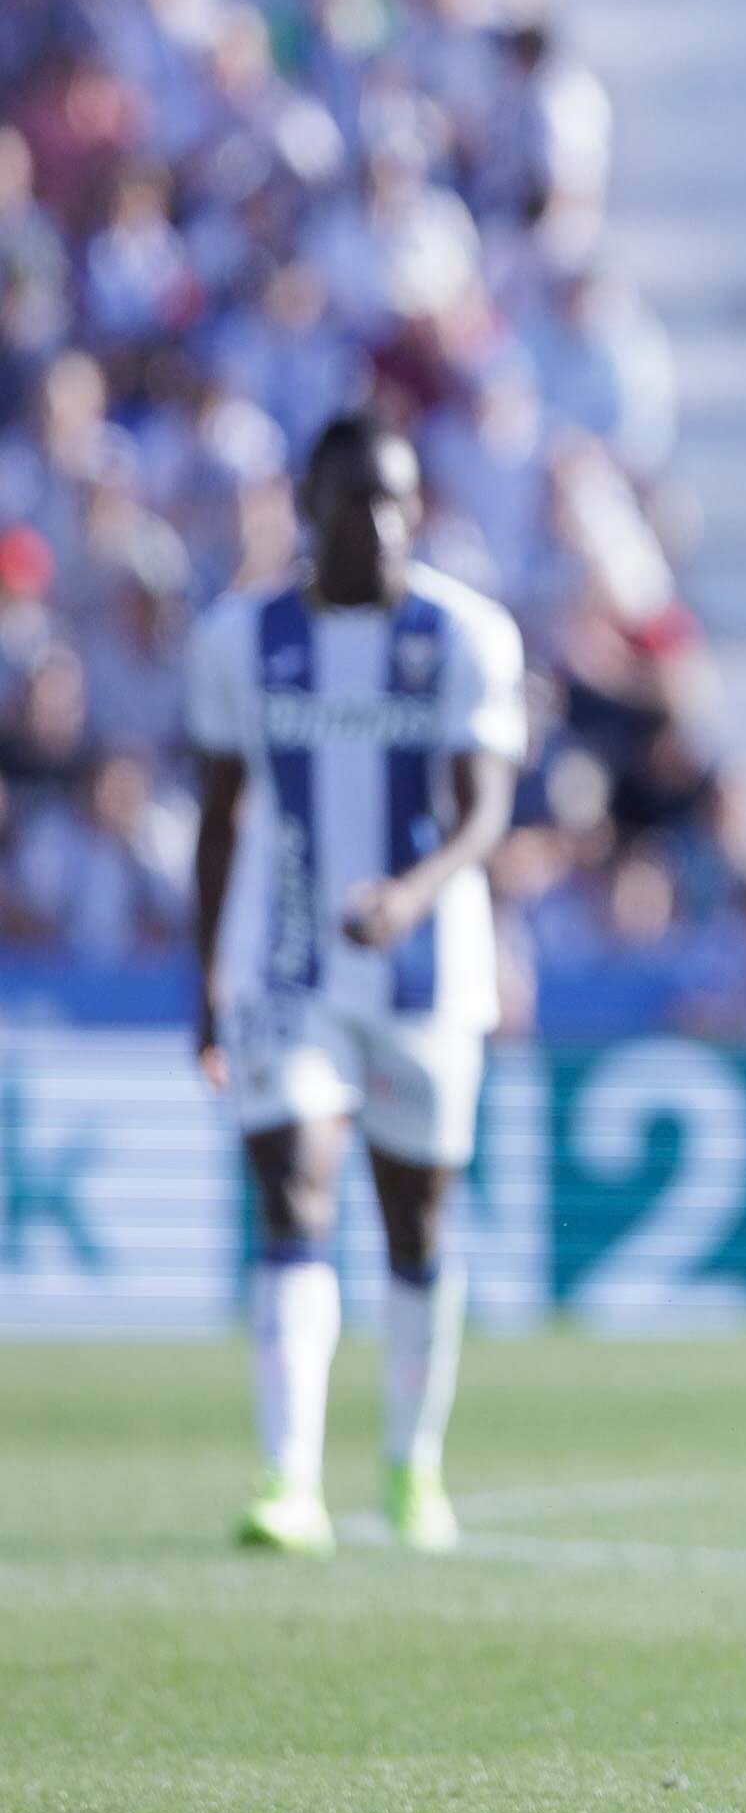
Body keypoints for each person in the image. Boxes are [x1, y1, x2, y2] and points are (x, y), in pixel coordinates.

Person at [185, 411, 527, 1557]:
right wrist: (204, 980)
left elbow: (485, 806)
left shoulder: (467, 634)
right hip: (283, 964)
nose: (380, 526)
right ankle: (290, 1481)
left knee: (416, 1223)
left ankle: (411, 1468)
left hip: (430, 969)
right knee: (295, 1193)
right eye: (355, 503)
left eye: (398, 502)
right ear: (310, 512)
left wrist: (417, 894)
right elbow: (221, 818)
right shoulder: (242, 638)